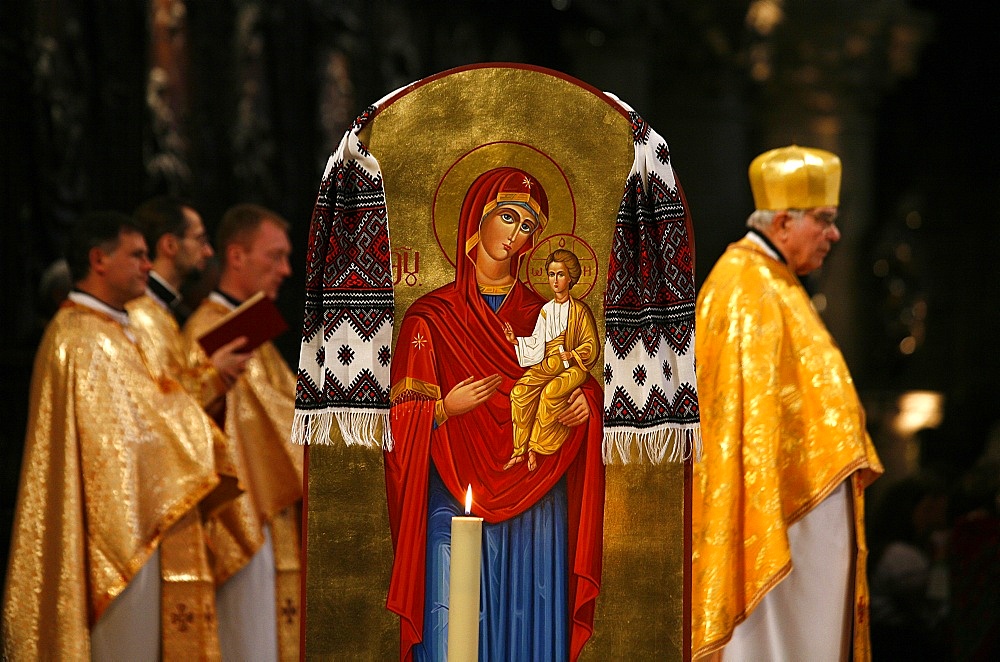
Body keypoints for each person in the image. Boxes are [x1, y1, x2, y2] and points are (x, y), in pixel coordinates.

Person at [385, 167, 606, 661]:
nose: (516, 234)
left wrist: (584, 404)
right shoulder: (430, 318)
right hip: (452, 492)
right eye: (507, 216)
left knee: (531, 626)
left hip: (536, 494)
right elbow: (397, 425)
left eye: (528, 226)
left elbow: (583, 379)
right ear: (476, 218)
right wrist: (444, 407)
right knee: (449, 623)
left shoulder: (547, 313)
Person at [2, 211, 230, 659]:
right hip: (116, 529)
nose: (148, 266)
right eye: (137, 255)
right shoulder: (82, 337)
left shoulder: (109, 328)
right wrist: (205, 389)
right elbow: (141, 430)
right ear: (98, 260)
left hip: (139, 513)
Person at [691, 145, 884, 661]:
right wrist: (762, 512)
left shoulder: (776, 283)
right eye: (824, 220)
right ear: (781, 222)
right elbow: (741, 423)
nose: (834, 235)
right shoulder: (744, 289)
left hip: (796, 527)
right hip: (770, 527)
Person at [183, 202, 302, 662]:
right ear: (236, 257)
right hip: (241, 520)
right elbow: (276, 422)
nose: (285, 270)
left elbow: (290, 409)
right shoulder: (210, 331)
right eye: (274, 256)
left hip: (273, 514)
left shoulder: (258, 334)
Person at [128, 195, 250, 417]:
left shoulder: (161, 310)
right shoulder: (142, 315)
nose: (208, 252)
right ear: (170, 245)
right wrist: (214, 374)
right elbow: (158, 402)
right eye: (200, 240)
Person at [502, 248, 600, 472]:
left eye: (560, 274)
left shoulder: (580, 311)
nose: (555, 280)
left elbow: (591, 346)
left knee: (550, 393)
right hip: (548, 363)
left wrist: (573, 354)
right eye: (551, 274)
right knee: (519, 392)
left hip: (573, 368)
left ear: (571, 278)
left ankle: (537, 448)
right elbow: (538, 342)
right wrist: (516, 341)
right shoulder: (546, 310)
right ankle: (519, 449)